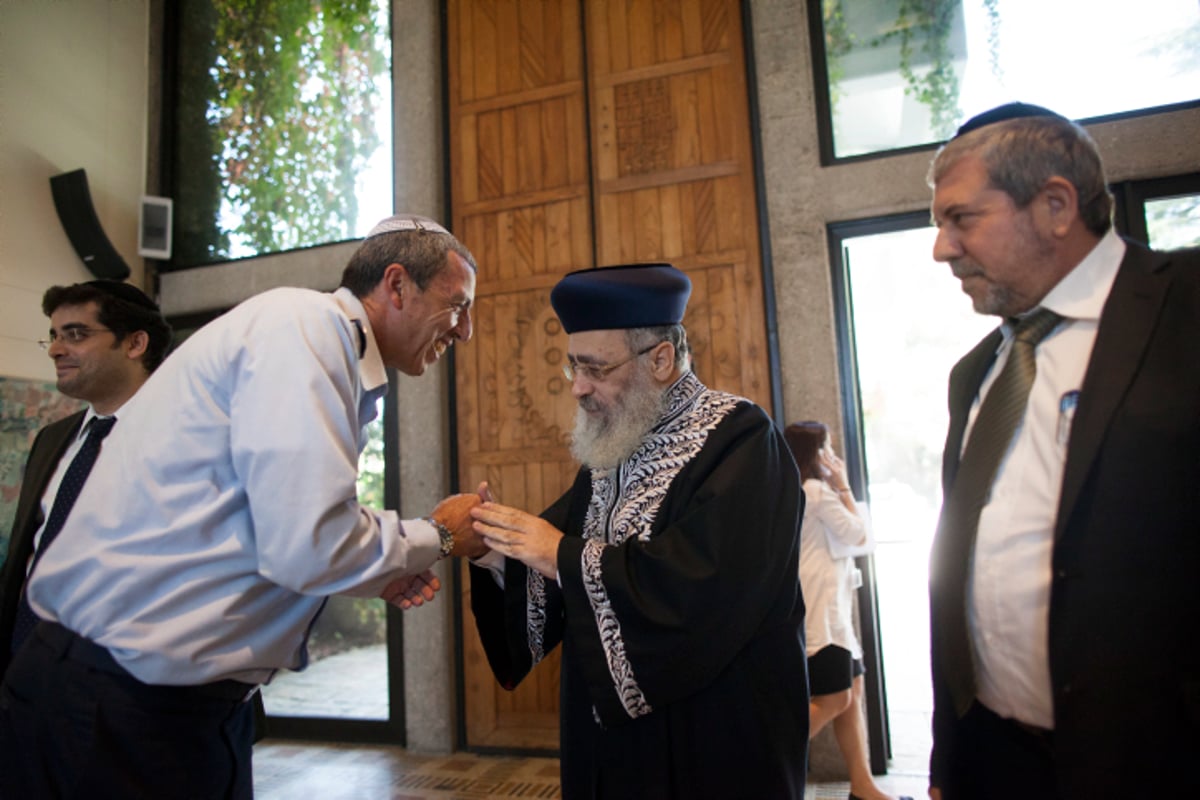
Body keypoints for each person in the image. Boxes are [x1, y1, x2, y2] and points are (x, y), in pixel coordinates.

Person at [0, 214, 490, 799]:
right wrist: (438, 536)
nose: (464, 331)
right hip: (113, 703)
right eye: (457, 305)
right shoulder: (304, 328)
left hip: (179, 706)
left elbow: (259, 530)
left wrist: (376, 567)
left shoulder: (319, 344)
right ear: (396, 284)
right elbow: (310, 544)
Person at [926, 102, 1200, 799]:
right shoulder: (975, 373)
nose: (942, 249)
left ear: (1055, 204)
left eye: (962, 219)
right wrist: (949, 759)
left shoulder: (1186, 310)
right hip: (995, 759)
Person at [467, 263, 809, 799]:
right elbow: (550, 554)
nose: (578, 388)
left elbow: (706, 588)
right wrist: (493, 547)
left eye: (596, 369)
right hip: (608, 750)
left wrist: (558, 554)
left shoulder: (740, 439)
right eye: (572, 367)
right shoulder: (610, 451)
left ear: (661, 358)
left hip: (712, 742)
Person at [0, 280, 172, 676]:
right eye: (54, 337)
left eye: (76, 334)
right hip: (25, 663)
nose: (57, 349)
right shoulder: (53, 440)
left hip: (130, 683)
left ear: (135, 344)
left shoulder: (187, 437)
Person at [784, 422, 909, 800]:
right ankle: (759, 761)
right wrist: (844, 484)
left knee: (852, 691)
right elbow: (859, 536)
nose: (834, 456)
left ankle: (863, 785)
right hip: (822, 615)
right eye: (828, 449)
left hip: (830, 612)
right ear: (816, 454)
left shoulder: (799, 490)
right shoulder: (819, 492)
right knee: (836, 698)